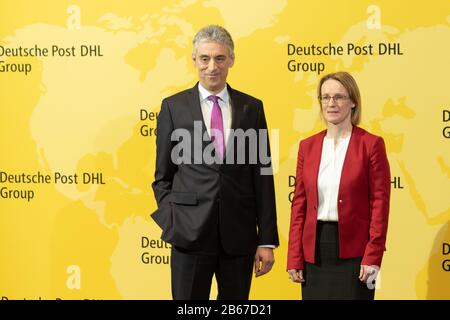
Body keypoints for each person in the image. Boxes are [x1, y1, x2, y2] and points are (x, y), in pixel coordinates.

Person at [151, 25, 279, 300]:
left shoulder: (251, 107)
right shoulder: (173, 107)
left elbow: (262, 176)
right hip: (189, 235)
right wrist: (173, 220)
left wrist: (266, 239)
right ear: (194, 59)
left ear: (231, 60)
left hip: (239, 236)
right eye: (205, 58)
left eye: (220, 58)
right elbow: (163, 176)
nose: (212, 66)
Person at [287, 71, 391, 300]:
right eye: (325, 97)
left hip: (357, 252)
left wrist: (373, 255)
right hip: (314, 252)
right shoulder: (308, 146)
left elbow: (380, 205)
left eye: (339, 97)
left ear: (353, 102)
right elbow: (299, 205)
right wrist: (294, 255)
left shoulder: (371, 145)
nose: (331, 103)